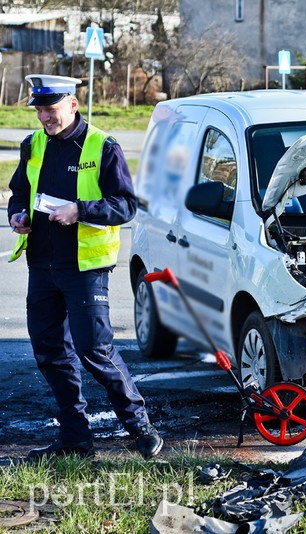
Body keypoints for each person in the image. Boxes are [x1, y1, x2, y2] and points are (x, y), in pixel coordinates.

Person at [7, 74, 163, 460]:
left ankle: (140, 428)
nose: (44, 116)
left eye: (51, 108)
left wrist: (81, 211)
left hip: (85, 268)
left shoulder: (103, 145)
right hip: (42, 265)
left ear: (73, 105)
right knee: (49, 351)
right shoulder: (33, 145)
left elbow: (125, 205)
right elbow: (18, 194)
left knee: (95, 348)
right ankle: (75, 438)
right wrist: (16, 217)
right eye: (40, 109)